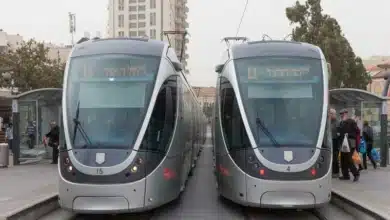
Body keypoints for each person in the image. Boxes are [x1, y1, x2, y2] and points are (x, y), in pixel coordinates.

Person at [338, 108, 360, 182]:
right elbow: (340, 131)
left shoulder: (351, 121)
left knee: (349, 159)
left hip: (350, 142)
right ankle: (345, 175)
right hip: (343, 143)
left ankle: (356, 174)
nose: (341, 115)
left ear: (346, 114)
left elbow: (356, 131)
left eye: (343, 114)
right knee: (343, 159)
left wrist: (349, 134)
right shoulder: (341, 122)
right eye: (341, 114)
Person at [329, 108, 340, 178]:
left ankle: (336, 172)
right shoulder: (329, 121)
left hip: (335, 142)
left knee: (335, 158)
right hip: (330, 141)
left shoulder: (337, 122)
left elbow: (339, 134)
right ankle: (332, 171)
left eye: (330, 113)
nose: (329, 115)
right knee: (331, 157)